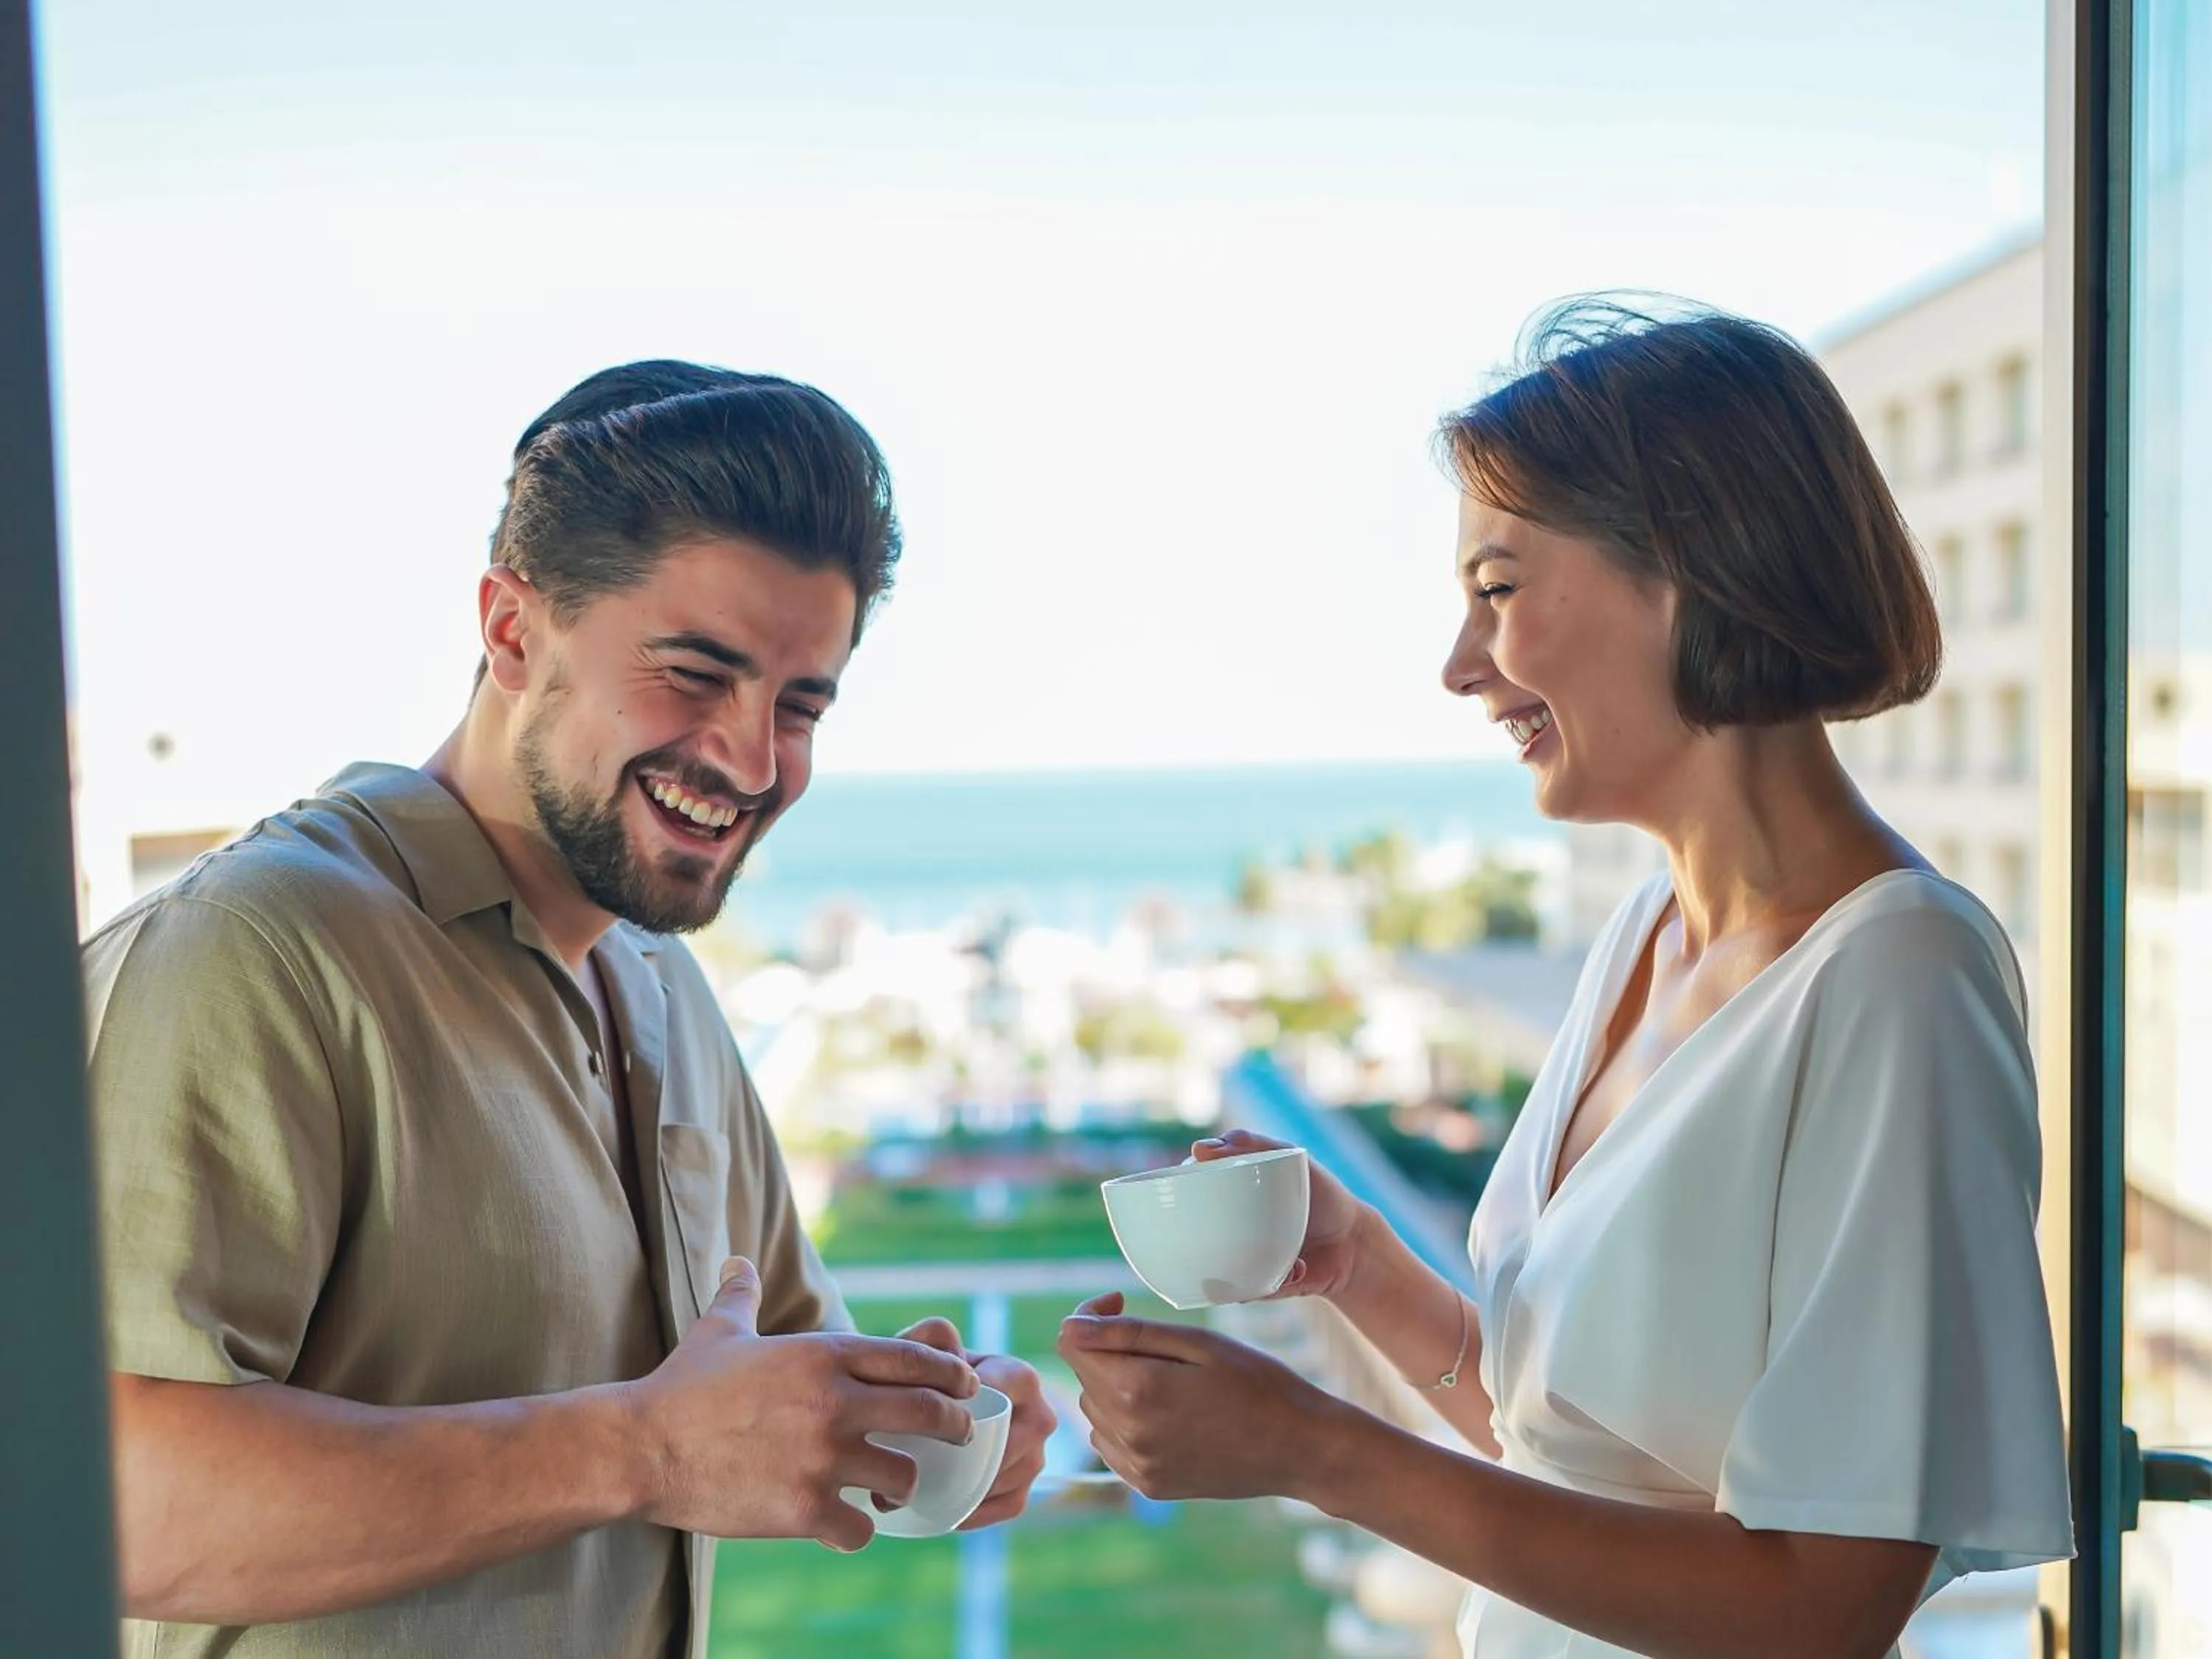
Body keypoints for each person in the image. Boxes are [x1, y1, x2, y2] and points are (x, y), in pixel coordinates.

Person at [1060, 300, 2073, 1659]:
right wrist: (1361, 1266)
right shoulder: (1645, 937)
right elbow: (1583, 1463)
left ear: (1692, 569)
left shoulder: (1900, 977)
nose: (1460, 667)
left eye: (1497, 589)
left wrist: (1314, 1448)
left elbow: (1824, 1602)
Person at [87, 361, 1054, 1659]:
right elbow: (112, 1499)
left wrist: (932, 1419)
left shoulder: (662, 982)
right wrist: (639, 1451)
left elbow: (758, 1376)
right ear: (511, 630)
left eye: (801, 704)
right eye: (696, 675)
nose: (755, 760)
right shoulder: (251, 949)